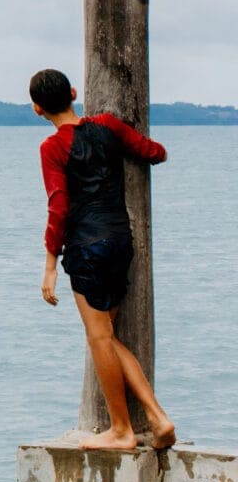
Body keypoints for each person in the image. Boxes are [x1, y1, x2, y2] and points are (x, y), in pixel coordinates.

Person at [29, 67, 175, 452]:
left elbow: (58, 206)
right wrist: (144, 149)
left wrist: (49, 266)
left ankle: (121, 430)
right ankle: (158, 419)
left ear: (37, 109)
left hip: (87, 248)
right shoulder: (108, 126)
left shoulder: (52, 147)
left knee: (98, 338)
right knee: (107, 335)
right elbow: (154, 152)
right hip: (120, 240)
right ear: (73, 93)